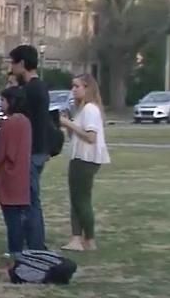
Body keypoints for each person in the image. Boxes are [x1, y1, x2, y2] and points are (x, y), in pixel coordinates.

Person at [59, 74, 110, 251]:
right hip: (79, 156)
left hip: (85, 158)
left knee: (81, 199)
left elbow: (91, 136)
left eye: (77, 86)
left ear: (87, 88)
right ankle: (77, 238)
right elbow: (76, 134)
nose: (73, 90)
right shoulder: (81, 109)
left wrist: (67, 123)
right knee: (76, 198)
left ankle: (88, 239)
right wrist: (69, 124)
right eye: (72, 86)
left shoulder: (90, 109)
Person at [10, 45, 51, 251]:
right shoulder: (41, 87)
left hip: (31, 150)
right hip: (39, 149)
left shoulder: (30, 90)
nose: (11, 67)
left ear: (22, 64)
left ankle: (35, 245)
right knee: (31, 198)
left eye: (13, 63)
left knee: (30, 200)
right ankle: (34, 242)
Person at [0, 86, 32, 258]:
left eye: (4, 100)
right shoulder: (26, 122)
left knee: (11, 217)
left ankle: (15, 251)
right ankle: (20, 247)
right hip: (22, 174)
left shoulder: (9, 124)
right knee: (19, 216)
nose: (1, 103)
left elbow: (0, 155)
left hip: (9, 175)